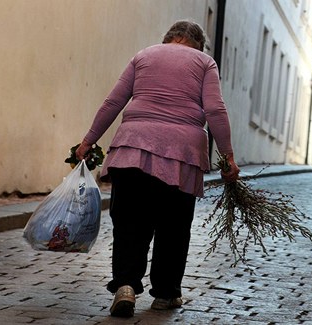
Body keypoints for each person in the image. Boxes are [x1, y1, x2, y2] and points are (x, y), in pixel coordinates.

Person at [76, 20, 240, 318]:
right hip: (182, 154)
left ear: (168, 39)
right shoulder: (205, 63)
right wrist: (227, 156)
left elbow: (114, 101)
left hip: (133, 147)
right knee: (174, 226)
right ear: (198, 45)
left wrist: (88, 141)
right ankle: (165, 293)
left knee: (129, 221)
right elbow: (215, 109)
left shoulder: (144, 56)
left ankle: (125, 285)